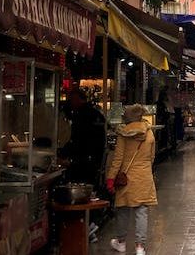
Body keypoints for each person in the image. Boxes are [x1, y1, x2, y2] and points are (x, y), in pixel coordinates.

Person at [106, 104, 157, 255]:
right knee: (141, 211)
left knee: (122, 209)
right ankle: (140, 246)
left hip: (126, 177)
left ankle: (121, 242)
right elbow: (151, 157)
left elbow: (118, 159)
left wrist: (110, 178)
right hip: (144, 176)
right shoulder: (149, 134)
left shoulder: (123, 134)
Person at [59, 88, 106, 186]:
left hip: (82, 160)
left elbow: (77, 138)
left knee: (79, 185)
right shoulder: (95, 114)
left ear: (77, 99)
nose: (70, 103)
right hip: (91, 160)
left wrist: (64, 154)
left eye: (71, 100)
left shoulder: (81, 116)